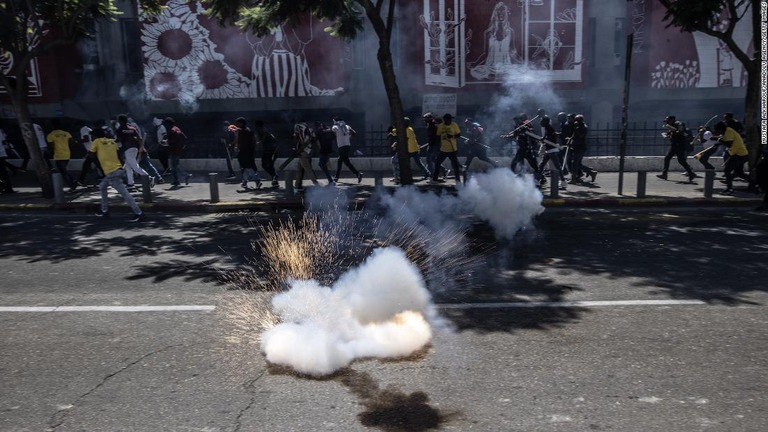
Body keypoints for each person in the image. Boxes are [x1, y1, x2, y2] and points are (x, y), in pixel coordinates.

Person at [89, 127, 145, 221]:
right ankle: (104, 210)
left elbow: (91, 155)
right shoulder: (112, 142)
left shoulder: (97, 142)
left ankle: (139, 213)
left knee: (125, 194)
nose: (91, 138)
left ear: (95, 136)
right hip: (118, 169)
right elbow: (119, 153)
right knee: (102, 186)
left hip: (111, 173)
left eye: (92, 136)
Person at [713, 121, 757, 195]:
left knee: (727, 170)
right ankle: (755, 184)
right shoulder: (727, 131)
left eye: (717, 130)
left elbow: (729, 144)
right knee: (739, 173)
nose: (716, 131)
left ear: (720, 129)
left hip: (739, 154)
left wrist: (719, 141)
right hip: (741, 154)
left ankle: (729, 189)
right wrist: (717, 140)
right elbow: (725, 140)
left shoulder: (728, 132)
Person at [115, 114, 152, 191]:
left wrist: (112, 141)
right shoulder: (133, 128)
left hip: (127, 149)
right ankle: (130, 183)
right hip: (134, 149)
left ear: (120, 121)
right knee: (128, 167)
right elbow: (140, 138)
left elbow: (118, 140)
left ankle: (149, 178)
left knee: (135, 166)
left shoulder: (120, 129)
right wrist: (141, 147)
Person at [656, 115, 696, 182]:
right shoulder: (671, 126)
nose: (667, 122)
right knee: (667, 158)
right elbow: (671, 134)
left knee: (681, 161)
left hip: (679, 145)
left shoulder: (679, 124)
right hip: (674, 145)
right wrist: (668, 134)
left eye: (668, 121)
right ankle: (664, 174)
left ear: (672, 120)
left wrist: (673, 131)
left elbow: (681, 131)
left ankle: (691, 173)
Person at [430, 113, 462, 185]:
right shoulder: (441, 126)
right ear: (445, 120)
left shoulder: (454, 125)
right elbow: (438, 136)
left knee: (455, 166)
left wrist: (452, 136)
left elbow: (459, 135)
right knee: (437, 164)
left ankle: (458, 181)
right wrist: (437, 147)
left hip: (453, 149)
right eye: (448, 120)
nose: (450, 121)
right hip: (443, 150)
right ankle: (435, 180)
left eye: (450, 119)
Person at [535, 116, 567, 189]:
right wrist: (543, 139)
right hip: (549, 150)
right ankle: (537, 180)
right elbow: (547, 138)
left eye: (542, 121)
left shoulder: (549, 128)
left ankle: (563, 182)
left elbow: (550, 138)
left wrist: (543, 139)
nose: (540, 123)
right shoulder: (547, 128)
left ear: (545, 122)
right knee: (542, 165)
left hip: (552, 150)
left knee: (555, 166)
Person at [506, 113, 540, 180]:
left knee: (534, 165)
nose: (516, 122)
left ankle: (540, 178)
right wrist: (507, 136)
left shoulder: (526, 126)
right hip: (521, 148)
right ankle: (520, 175)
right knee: (516, 163)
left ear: (520, 120)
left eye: (517, 121)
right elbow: (515, 135)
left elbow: (532, 134)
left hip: (527, 148)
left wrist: (526, 129)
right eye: (515, 121)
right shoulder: (517, 127)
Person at [47, 119, 77, 191]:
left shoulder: (51, 135)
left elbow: (51, 146)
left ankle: (72, 183)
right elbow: (73, 142)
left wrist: (49, 153)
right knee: (63, 170)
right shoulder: (66, 133)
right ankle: (73, 182)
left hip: (58, 155)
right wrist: (67, 147)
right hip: (67, 153)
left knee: (63, 171)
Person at [232, 117, 262, 190]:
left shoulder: (238, 131)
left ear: (241, 123)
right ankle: (244, 182)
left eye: (238, 123)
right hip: (250, 151)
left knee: (247, 167)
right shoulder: (249, 130)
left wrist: (235, 147)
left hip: (242, 151)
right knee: (246, 167)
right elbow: (254, 140)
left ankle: (257, 180)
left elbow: (237, 140)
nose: (237, 124)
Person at [332, 116, 363, 183]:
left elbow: (333, 134)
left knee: (346, 162)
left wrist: (338, 138)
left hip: (341, 146)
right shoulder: (347, 126)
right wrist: (348, 138)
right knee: (340, 160)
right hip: (347, 146)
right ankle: (336, 177)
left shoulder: (335, 127)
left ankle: (358, 174)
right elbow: (354, 133)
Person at [163, 117, 192, 188]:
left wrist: (165, 142)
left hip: (173, 150)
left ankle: (186, 176)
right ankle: (176, 181)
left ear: (168, 124)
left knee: (174, 166)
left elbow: (172, 141)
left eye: (166, 124)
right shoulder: (177, 129)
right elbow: (184, 138)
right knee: (175, 166)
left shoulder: (171, 130)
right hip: (178, 150)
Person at [569, 114, 598, 183]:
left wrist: (576, 128)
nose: (576, 121)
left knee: (574, 163)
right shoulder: (577, 126)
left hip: (580, 147)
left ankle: (574, 179)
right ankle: (591, 172)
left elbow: (580, 136)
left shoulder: (584, 127)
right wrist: (570, 140)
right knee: (578, 164)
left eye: (577, 120)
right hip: (576, 147)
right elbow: (574, 135)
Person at [292, 119, 319, 190]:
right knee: (299, 170)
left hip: (302, 151)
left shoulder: (297, 126)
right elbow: (314, 139)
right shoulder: (310, 129)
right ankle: (297, 186)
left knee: (308, 170)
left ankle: (317, 185)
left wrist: (296, 149)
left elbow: (296, 138)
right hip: (308, 151)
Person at [76, 121, 103, 187]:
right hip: (93, 149)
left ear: (79, 125)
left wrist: (77, 141)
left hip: (92, 150)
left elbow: (86, 139)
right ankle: (81, 180)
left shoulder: (83, 129)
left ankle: (81, 180)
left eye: (77, 126)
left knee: (97, 165)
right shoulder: (88, 129)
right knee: (88, 165)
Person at [254, 120, 279, 186]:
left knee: (265, 165)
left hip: (269, 151)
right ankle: (275, 179)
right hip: (272, 150)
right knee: (270, 165)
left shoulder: (262, 131)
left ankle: (274, 176)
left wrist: (259, 142)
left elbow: (265, 137)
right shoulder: (265, 130)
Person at [423, 113, 447, 179]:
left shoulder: (433, 125)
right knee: (433, 159)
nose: (425, 120)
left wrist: (435, 143)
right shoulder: (430, 124)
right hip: (432, 144)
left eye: (426, 118)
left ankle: (432, 174)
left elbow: (437, 135)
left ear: (429, 118)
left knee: (428, 159)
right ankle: (444, 170)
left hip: (433, 145)